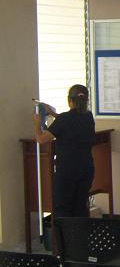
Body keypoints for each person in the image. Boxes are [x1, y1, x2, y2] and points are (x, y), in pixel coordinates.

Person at [32, 84, 95, 218]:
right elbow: (70, 121)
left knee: (64, 209)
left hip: (67, 172)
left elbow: (41, 139)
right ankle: (81, 231)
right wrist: (53, 113)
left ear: (69, 100)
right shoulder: (88, 117)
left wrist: (37, 123)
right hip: (86, 169)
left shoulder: (64, 119)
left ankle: (65, 232)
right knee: (80, 207)